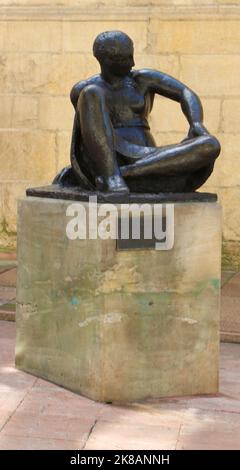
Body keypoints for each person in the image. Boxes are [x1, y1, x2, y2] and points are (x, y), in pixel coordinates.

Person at [54, 30, 220, 194]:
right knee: (90, 92)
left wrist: (196, 122)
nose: (132, 62)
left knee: (210, 145)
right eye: (125, 58)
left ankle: (126, 174)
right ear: (105, 60)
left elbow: (186, 93)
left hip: (152, 158)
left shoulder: (143, 79)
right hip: (112, 156)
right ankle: (111, 176)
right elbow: (88, 137)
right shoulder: (86, 90)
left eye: (131, 55)